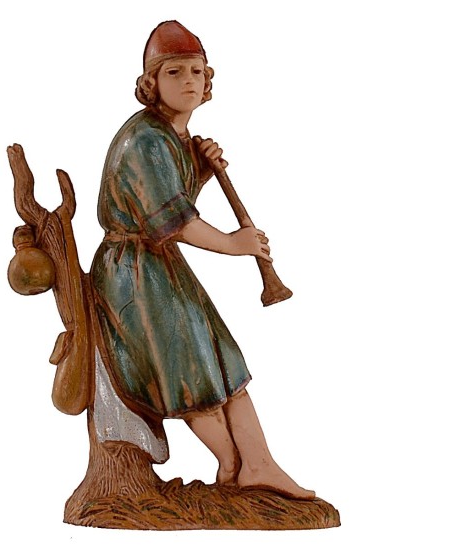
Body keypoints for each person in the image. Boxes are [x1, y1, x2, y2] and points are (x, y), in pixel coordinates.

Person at [90, 20, 314, 500]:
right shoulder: (146, 140)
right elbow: (173, 221)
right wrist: (236, 243)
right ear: (152, 82)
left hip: (158, 264)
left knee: (222, 360)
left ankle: (258, 464)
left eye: (196, 71)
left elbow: (172, 200)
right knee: (190, 369)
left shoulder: (170, 135)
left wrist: (198, 168)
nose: (189, 81)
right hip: (133, 274)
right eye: (174, 72)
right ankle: (232, 465)